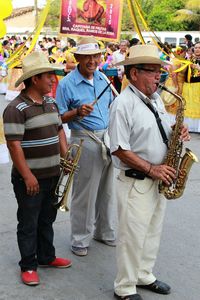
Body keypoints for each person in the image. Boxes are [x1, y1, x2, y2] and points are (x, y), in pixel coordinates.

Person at [109, 44, 190, 300]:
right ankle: (124, 287)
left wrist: (178, 129)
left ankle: (144, 275)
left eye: (160, 72)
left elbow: (162, 131)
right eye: (153, 71)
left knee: (152, 232)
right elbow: (120, 149)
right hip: (136, 180)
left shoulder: (155, 99)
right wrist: (152, 168)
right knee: (131, 237)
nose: (159, 76)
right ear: (134, 74)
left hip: (158, 179)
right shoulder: (123, 104)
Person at [3, 51, 72, 286]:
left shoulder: (50, 102)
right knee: (28, 222)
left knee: (46, 219)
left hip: (53, 174)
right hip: (30, 179)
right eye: (49, 75)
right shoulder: (16, 108)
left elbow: (59, 129)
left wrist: (66, 157)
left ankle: (46, 257)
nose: (54, 79)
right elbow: (14, 145)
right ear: (35, 79)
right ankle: (29, 265)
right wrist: (27, 175)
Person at [56, 36, 116, 257]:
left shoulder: (103, 78)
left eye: (95, 56)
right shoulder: (66, 84)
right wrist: (76, 112)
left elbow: (111, 108)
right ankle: (80, 239)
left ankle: (104, 232)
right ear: (78, 58)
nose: (92, 60)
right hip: (84, 138)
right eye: (87, 56)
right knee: (85, 194)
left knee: (107, 191)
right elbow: (59, 118)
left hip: (108, 138)